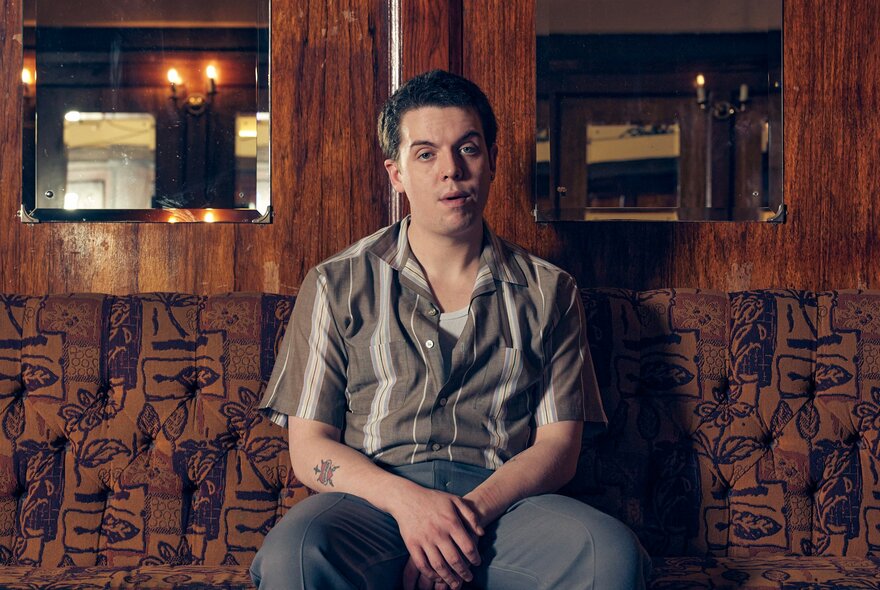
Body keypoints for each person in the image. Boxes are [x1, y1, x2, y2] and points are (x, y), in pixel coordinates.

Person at [251, 70, 649, 590]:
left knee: (609, 554)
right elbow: (309, 449)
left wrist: (463, 520)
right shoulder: (335, 283)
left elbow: (559, 448)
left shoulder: (551, 291)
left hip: (505, 509)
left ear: (493, 160)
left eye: (468, 149)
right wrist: (412, 507)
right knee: (297, 554)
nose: (451, 171)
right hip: (374, 506)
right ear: (397, 174)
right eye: (426, 154)